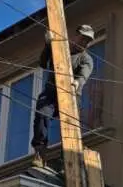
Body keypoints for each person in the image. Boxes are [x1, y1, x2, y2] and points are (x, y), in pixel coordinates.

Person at [31, 24, 96, 167]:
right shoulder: (60, 50)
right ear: (76, 35)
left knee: (70, 124)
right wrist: (48, 46)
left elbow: (83, 75)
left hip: (72, 95)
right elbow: (43, 63)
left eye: (88, 41)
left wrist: (77, 83)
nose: (85, 42)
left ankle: (67, 159)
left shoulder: (85, 58)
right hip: (51, 92)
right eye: (83, 38)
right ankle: (40, 152)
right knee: (42, 114)